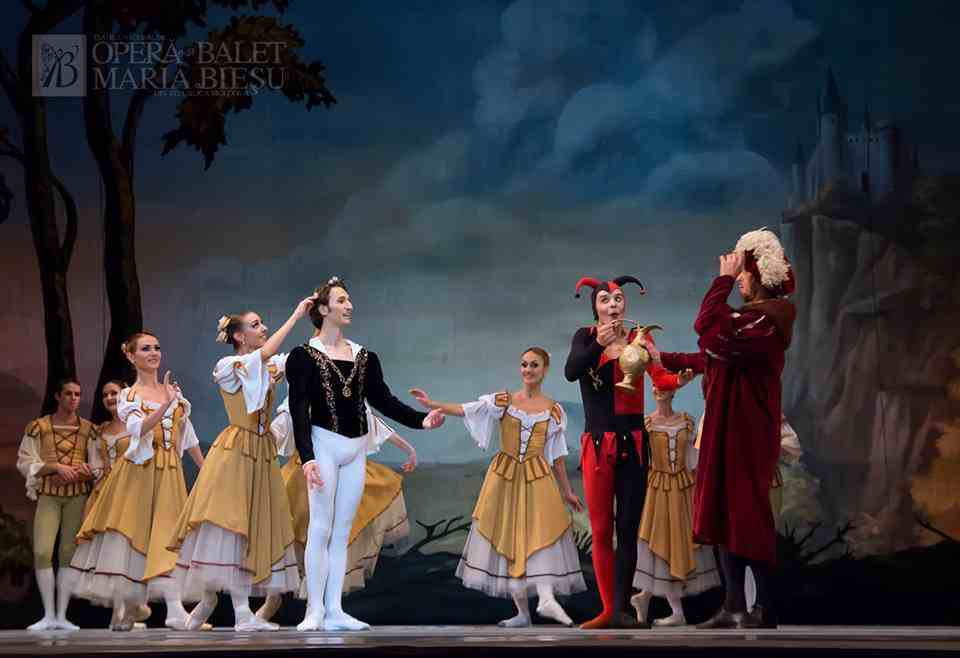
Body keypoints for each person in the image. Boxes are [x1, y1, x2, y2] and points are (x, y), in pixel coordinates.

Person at [649, 228, 797, 629]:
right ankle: (734, 606)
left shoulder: (769, 321)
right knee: (723, 515)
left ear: (758, 274)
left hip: (747, 432)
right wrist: (659, 357)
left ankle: (765, 607)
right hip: (725, 429)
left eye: (743, 271)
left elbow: (707, 328)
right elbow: (708, 355)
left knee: (748, 516)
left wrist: (722, 282)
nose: (738, 278)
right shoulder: (746, 322)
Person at [285, 276, 445, 631]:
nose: (349, 306)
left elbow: (383, 400)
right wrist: (307, 457)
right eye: (341, 300)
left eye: (349, 300)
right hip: (323, 445)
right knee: (321, 527)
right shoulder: (302, 357)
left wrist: (421, 421)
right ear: (323, 308)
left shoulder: (365, 356)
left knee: (343, 531)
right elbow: (299, 409)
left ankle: (334, 609)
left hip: (356, 449)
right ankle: (314, 610)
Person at [410, 347, 585, 628]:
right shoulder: (503, 401)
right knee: (508, 538)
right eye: (524, 364)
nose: (528, 370)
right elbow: (467, 410)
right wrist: (432, 404)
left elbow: (558, 456)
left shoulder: (553, 411)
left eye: (534, 365)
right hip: (506, 477)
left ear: (545, 369)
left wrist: (567, 491)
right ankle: (523, 613)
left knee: (542, 533)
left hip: (538, 477)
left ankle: (546, 598)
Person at [168, 298, 314, 631]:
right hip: (236, 451)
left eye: (263, 324)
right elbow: (265, 355)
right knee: (232, 524)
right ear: (238, 335)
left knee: (250, 524)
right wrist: (295, 316)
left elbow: (295, 357)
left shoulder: (266, 365)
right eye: (256, 325)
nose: (263, 329)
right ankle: (241, 613)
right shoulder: (229, 366)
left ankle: (208, 607)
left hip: (260, 452)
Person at [564, 275, 690, 629]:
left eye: (618, 298)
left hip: (633, 443)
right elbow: (571, 371)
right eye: (605, 299)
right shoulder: (585, 336)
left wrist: (678, 379)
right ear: (596, 307)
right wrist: (598, 345)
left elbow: (660, 379)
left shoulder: (641, 337)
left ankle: (620, 609)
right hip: (599, 443)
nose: (613, 304)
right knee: (602, 529)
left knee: (628, 528)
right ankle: (607, 610)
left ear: (626, 304)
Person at [66, 332, 205, 631]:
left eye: (156, 347)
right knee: (136, 536)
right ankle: (141, 607)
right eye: (145, 349)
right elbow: (137, 429)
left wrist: (205, 469)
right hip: (140, 472)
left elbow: (187, 434)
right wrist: (164, 405)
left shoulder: (173, 392)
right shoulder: (129, 395)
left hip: (169, 470)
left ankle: (161, 609)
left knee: (167, 536)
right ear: (131, 356)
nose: (153, 352)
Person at [255, 397, 417, 622]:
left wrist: (408, 448)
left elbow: (373, 423)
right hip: (303, 474)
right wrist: (258, 444)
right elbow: (280, 426)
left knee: (332, 538)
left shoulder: (349, 393)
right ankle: (275, 600)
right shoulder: (303, 394)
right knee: (288, 537)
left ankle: (322, 607)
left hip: (338, 473)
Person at [630, 384, 720, 626]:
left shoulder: (686, 422)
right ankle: (666, 607)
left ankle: (652, 601)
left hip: (683, 488)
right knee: (661, 541)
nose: (659, 390)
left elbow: (694, 460)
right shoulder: (647, 424)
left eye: (664, 386)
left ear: (673, 391)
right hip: (658, 489)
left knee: (680, 544)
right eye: (655, 385)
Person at [17, 379, 100, 631]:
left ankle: (62, 615)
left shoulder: (89, 430)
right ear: (57, 396)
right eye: (68, 393)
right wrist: (54, 466)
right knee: (43, 551)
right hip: (49, 495)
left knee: (67, 553)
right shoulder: (39, 427)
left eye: (77, 394)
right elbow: (25, 461)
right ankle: (48, 614)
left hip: (77, 496)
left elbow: (98, 465)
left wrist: (82, 472)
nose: (73, 398)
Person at [87, 380, 152, 630]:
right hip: (107, 491)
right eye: (105, 395)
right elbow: (95, 461)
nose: (110, 398)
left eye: (114, 393)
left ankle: (136, 605)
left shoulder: (137, 423)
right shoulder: (101, 430)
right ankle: (119, 609)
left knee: (131, 548)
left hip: (132, 489)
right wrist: (96, 475)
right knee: (110, 552)